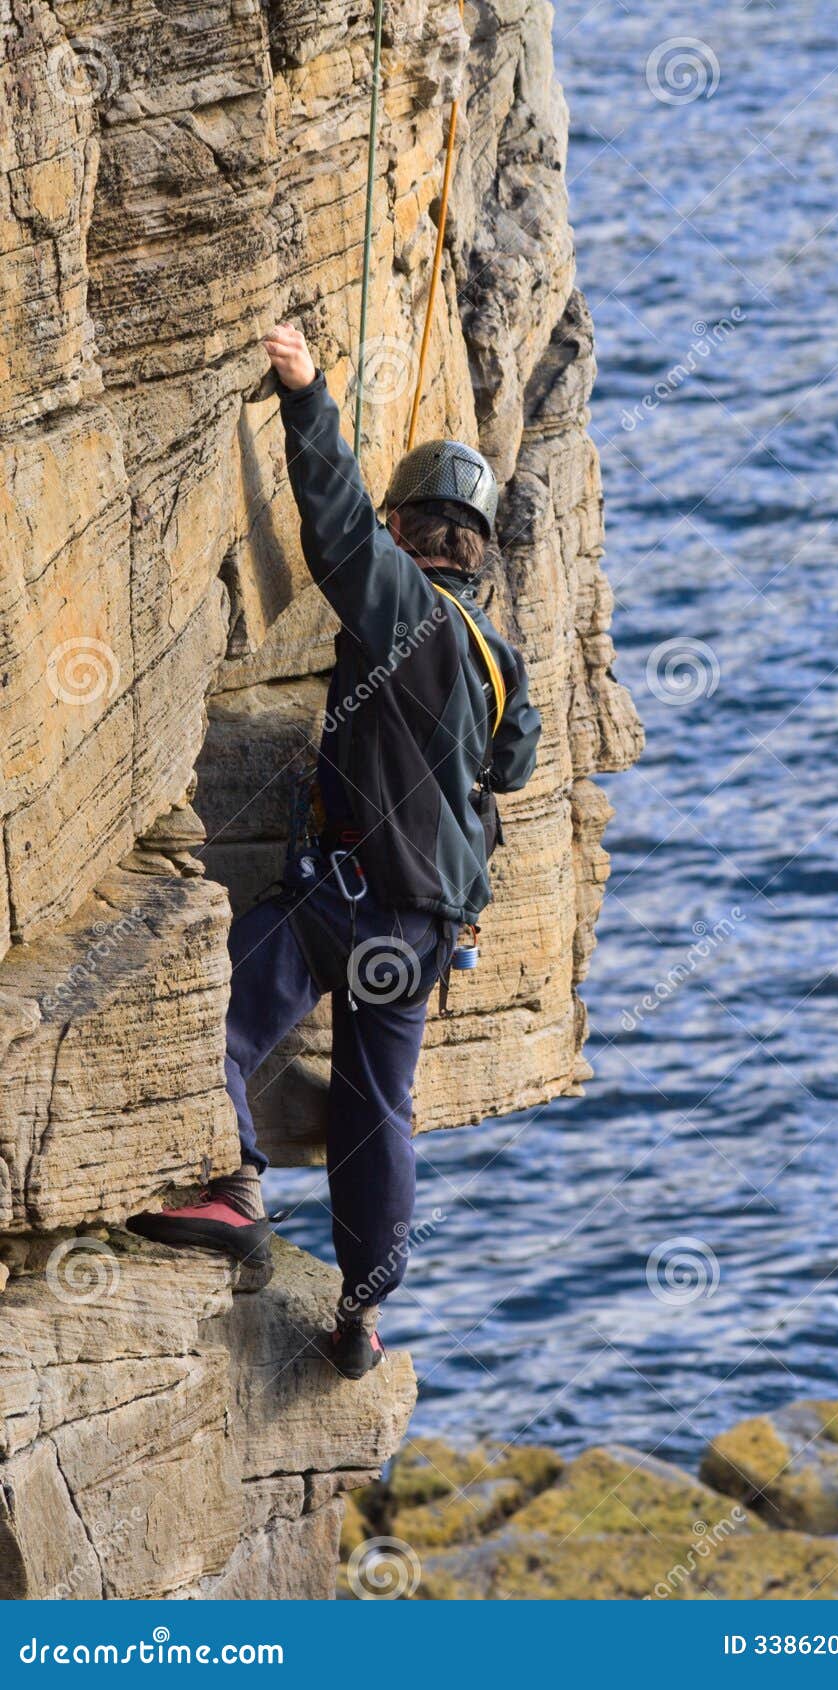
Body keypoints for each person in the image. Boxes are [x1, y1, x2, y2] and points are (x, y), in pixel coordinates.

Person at [129, 323, 541, 1378]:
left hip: (346, 902)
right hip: (424, 932)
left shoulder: (400, 602)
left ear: (407, 531)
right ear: (477, 548)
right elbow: (512, 763)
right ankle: (361, 1311)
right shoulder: (495, 656)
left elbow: (336, 529)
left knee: (215, 1015)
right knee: (374, 1113)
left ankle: (231, 1190)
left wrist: (307, 395)